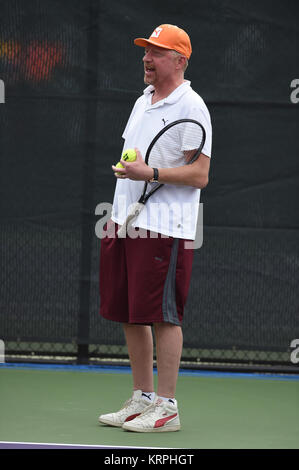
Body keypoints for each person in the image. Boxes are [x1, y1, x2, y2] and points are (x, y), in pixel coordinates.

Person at [98, 24, 212, 432]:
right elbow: (134, 157)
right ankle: (142, 398)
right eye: (146, 51)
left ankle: (167, 407)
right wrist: (130, 174)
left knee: (164, 316)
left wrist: (151, 172)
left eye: (157, 52)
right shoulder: (143, 100)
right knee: (132, 312)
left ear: (179, 61)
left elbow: (200, 174)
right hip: (125, 221)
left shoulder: (192, 106)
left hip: (165, 227)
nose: (147, 58)